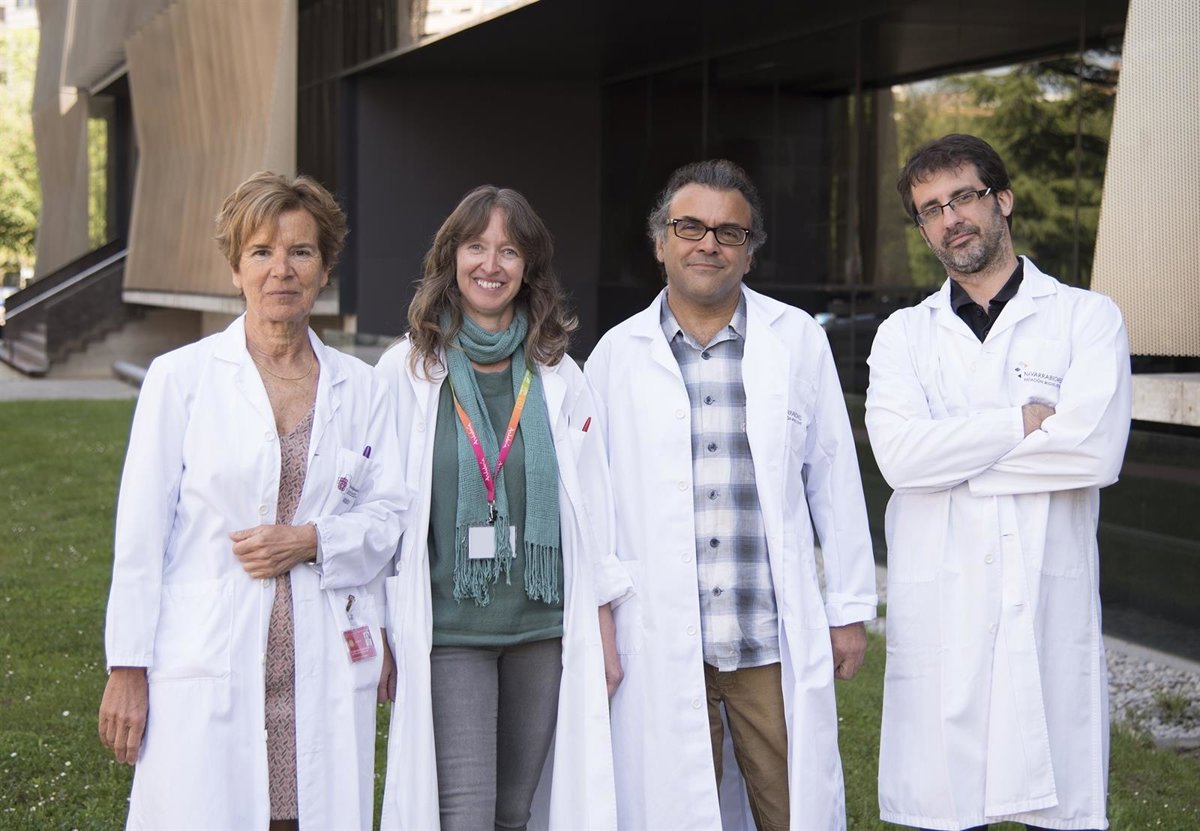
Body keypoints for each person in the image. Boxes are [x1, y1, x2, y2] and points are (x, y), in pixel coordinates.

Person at [97, 171, 409, 830]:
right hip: (211, 654)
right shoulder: (181, 380)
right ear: (235, 268)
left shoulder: (362, 387)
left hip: (318, 655)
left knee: (305, 811)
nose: (281, 270)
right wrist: (127, 666)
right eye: (261, 251)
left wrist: (312, 540)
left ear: (325, 269)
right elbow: (140, 536)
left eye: (301, 251)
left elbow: (388, 517)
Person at [585, 159, 879, 831]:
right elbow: (592, 505)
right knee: (671, 810)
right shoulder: (614, 357)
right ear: (660, 241)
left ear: (750, 252)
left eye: (729, 232)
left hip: (765, 637)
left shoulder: (797, 340)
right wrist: (600, 615)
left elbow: (833, 478)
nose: (708, 244)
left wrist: (848, 609)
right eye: (689, 227)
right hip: (660, 632)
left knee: (790, 809)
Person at [867, 133, 1132, 831]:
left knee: (1054, 793)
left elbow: (1092, 453)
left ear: (1003, 200)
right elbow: (900, 460)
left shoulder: (1086, 318)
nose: (950, 218)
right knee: (948, 804)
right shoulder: (902, 336)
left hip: (1045, 594)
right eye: (930, 209)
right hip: (943, 606)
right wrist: (1022, 422)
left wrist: (953, 463)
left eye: (964, 196)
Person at [375, 185, 630, 831]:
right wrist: (378, 625)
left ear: (529, 267)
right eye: (476, 247)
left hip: (542, 628)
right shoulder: (405, 371)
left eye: (509, 250)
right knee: (464, 813)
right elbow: (379, 508)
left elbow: (593, 506)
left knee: (515, 813)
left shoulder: (558, 373)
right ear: (451, 258)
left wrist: (603, 622)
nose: (491, 264)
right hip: (450, 629)